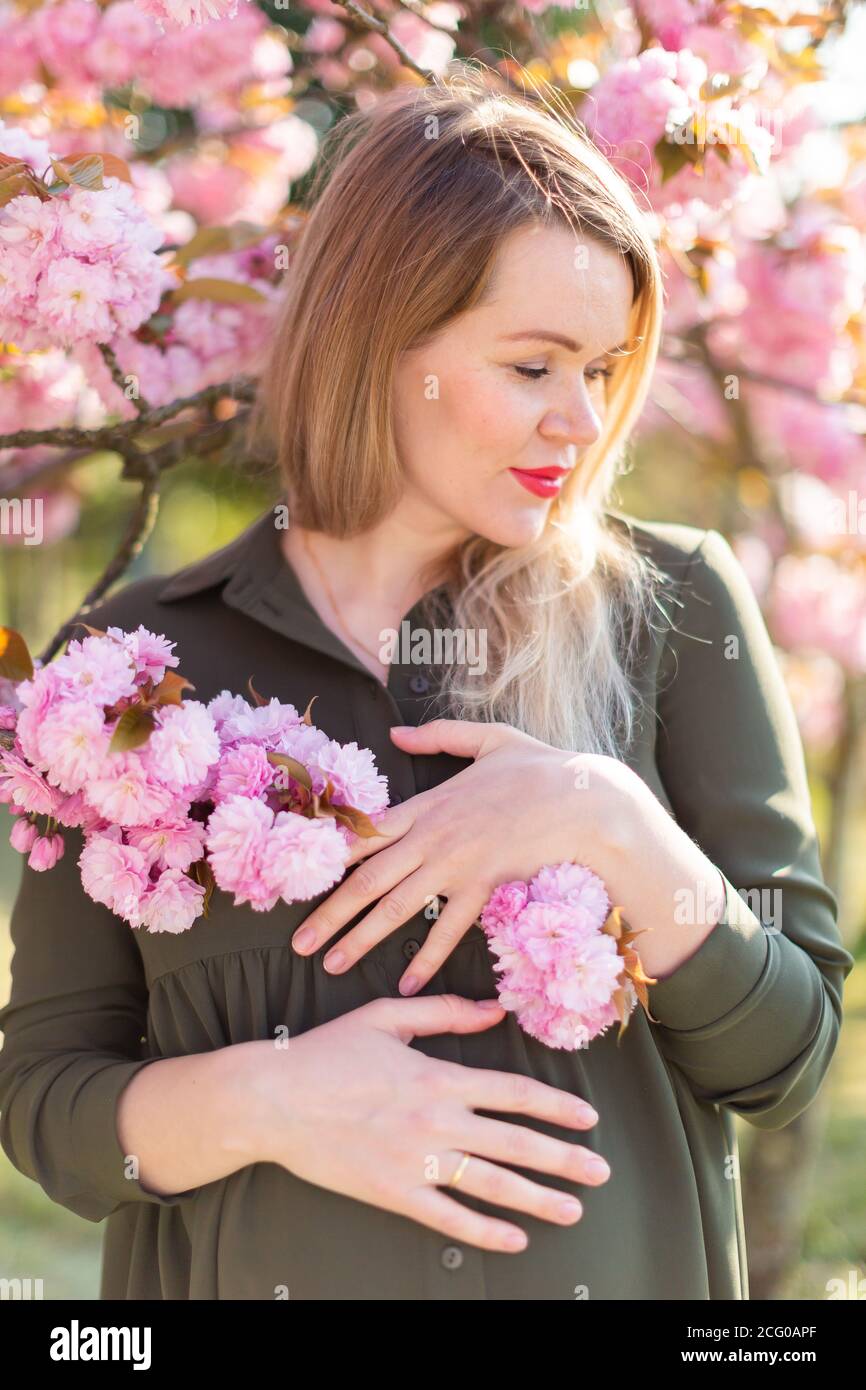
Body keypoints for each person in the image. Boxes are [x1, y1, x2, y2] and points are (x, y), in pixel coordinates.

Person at [0, 73, 853, 1301]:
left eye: (602, 369)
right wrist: (271, 1099)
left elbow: (788, 1057)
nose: (579, 419)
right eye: (532, 365)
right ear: (382, 340)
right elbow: (47, 1110)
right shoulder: (132, 672)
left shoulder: (671, 609)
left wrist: (602, 819)